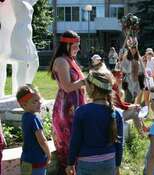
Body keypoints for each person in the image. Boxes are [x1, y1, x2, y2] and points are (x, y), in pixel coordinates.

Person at [66, 72, 123, 175]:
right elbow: (119, 143)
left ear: (92, 87)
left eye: (86, 85)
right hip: (109, 162)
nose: (85, 88)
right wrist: (117, 165)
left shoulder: (82, 112)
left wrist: (70, 163)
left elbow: (75, 141)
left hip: (87, 164)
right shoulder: (115, 113)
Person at [48, 30, 86, 174]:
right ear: (67, 45)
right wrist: (85, 81)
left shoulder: (70, 60)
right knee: (70, 140)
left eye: (78, 45)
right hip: (66, 108)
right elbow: (66, 87)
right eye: (76, 46)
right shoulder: (61, 61)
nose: (78, 49)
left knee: (77, 138)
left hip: (75, 106)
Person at [16, 85, 51, 175]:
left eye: (39, 100)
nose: (39, 103)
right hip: (36, 161)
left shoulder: (25, 117)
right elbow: (42, 140)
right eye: (35, 101)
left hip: (25, 160)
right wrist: (49, 154)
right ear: (24, 104)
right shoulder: (34, 118)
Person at [112, 68, 144, 135]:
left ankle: (142, 131)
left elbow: (121, 103)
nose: (121, 79)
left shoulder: (115, 87)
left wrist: (133, 105)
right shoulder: (113, 89)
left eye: (121, 77)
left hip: (116, 113)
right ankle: (142, 133)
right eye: (118, 77)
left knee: (136, 110)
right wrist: (134, 106)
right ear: (113, 77)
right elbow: (122, 106)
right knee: (135, 112)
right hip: (114, 116)